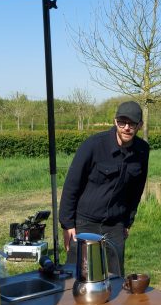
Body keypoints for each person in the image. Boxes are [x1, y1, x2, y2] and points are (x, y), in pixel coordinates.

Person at [59, 101, 150, 276]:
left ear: (140, 125)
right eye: (121, 122)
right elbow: (72, 184)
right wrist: (67, 224)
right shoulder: (93, 145)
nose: (126, 128)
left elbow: (136, 190)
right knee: (76, 276)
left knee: (114, 277)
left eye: (132, 124)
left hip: (115, 224)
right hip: (85, 222)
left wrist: (127, 221)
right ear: (115, 122)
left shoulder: (142, 151)